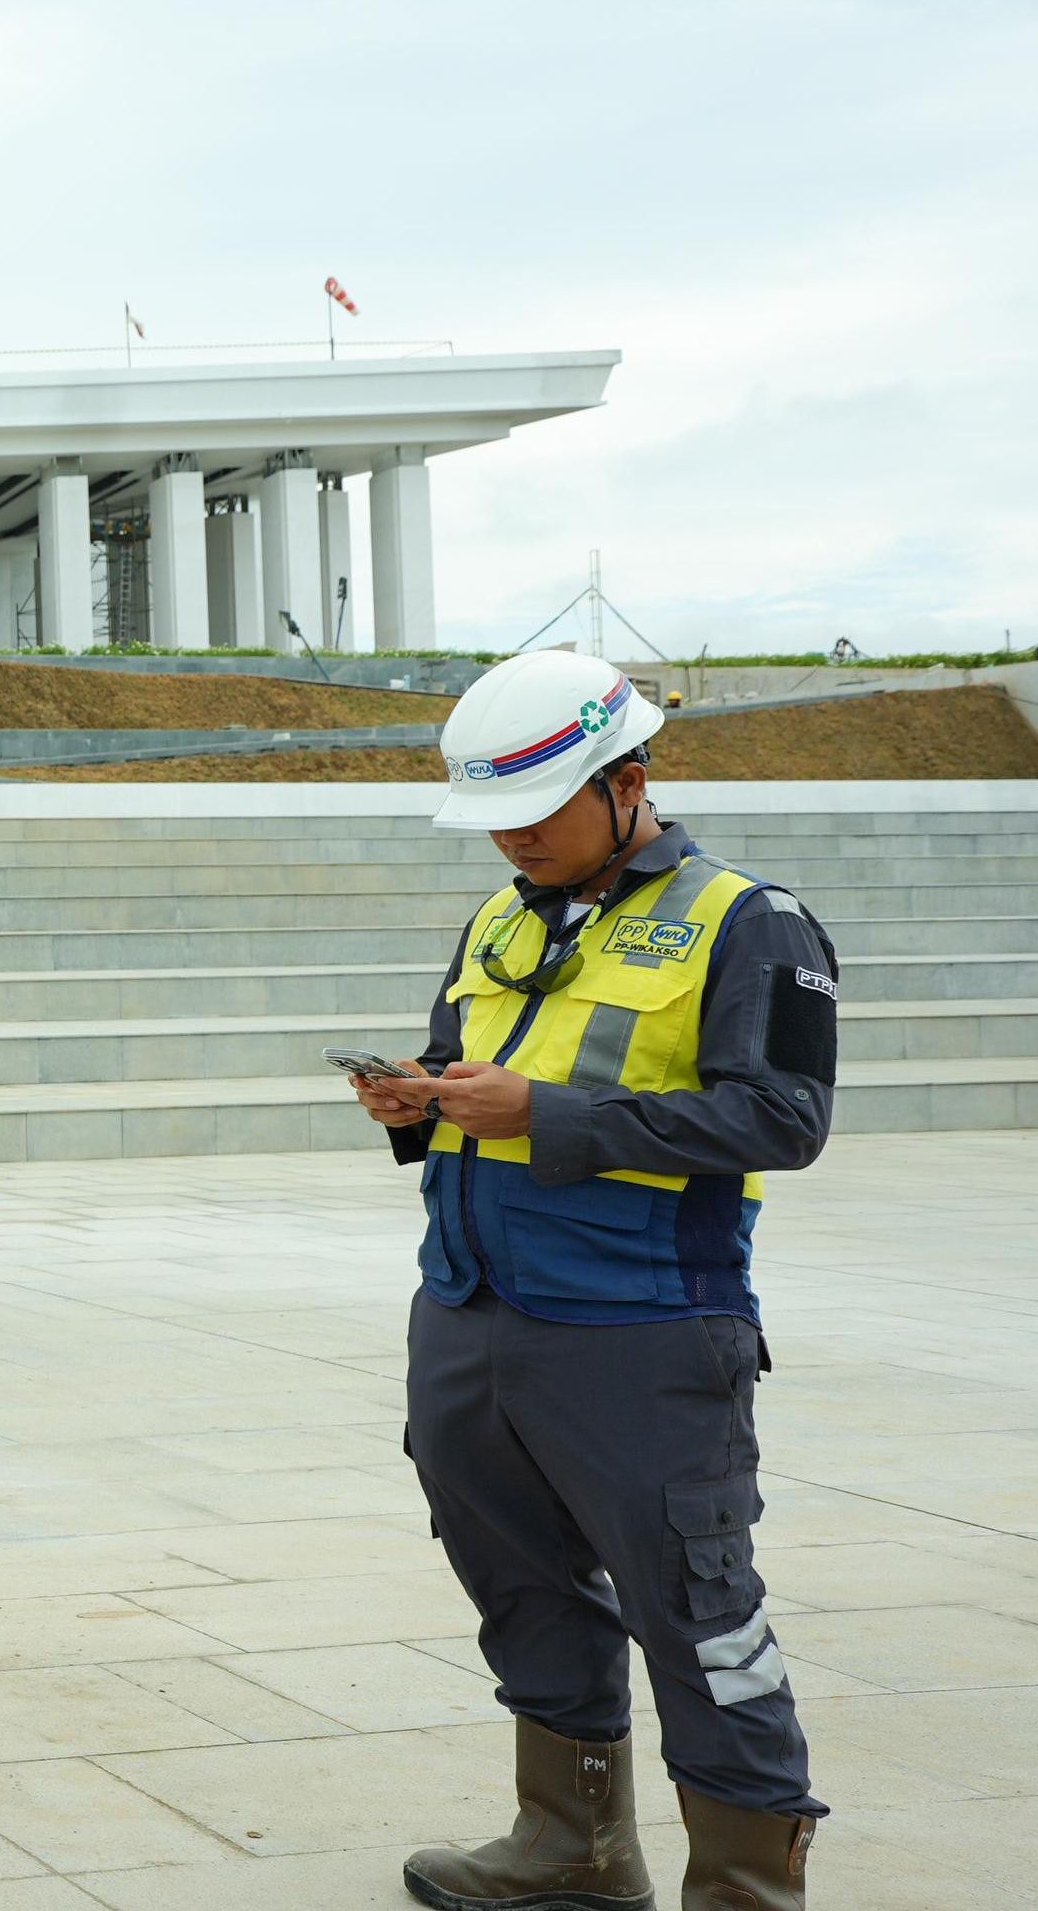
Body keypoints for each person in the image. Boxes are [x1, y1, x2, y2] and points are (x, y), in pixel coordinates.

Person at [355, 649, 839, 1911]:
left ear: (627, 780)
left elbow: (781, 1121)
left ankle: (743, 1886)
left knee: (696, 1610)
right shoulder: (500, 919)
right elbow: (476, 1074)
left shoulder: (749, 921)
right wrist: (415, 1099)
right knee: (516, 1581)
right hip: (467, 1307)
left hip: (640, 1327)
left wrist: (549, 1115)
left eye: (536, 810)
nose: (510, 838)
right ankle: (569, 1846)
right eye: (493, 820)